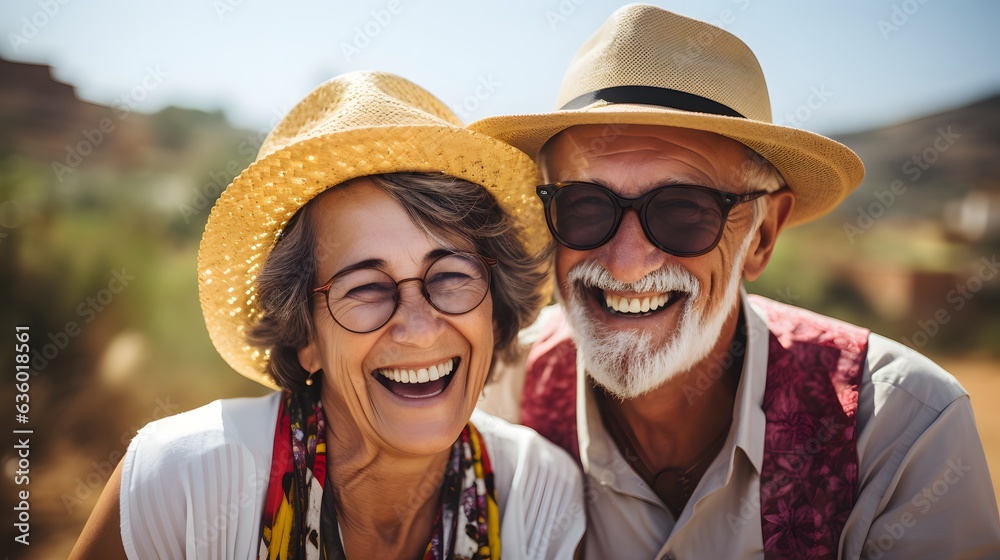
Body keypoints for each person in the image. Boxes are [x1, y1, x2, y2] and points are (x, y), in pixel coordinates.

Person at [471, 4, 1000, 559]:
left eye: (683, 210)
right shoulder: (490, 398)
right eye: (585, 206)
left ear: (764, 234)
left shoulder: (898, 430)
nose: (627, 263)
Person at [70, 71, 584, 559]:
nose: (420, 327)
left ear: (494, 314)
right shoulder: (182, 482)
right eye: (365, 288)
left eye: (450, 278)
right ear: (303, 337)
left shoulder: (541, 497)